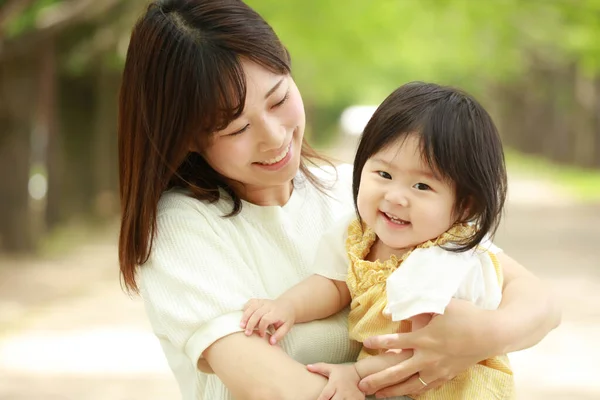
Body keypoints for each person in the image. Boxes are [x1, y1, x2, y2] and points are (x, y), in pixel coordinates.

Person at [117, 1, 561, 400]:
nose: (274, 138)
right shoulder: (181, 229)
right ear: (189, 138)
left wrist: (482, 336)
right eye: (236, 128)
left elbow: (537, 300)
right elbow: (274, 388)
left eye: (278, 99)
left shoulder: (364, 194)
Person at [241, 81, 517, 400]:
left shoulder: (443, 259)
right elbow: (333, 285)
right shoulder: (358, 234)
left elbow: (423, 347)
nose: (396, 197)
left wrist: (355, 375)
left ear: (465, 205)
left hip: (452, 388)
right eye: (384, 175)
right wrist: (286, 307)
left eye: (422, 187)